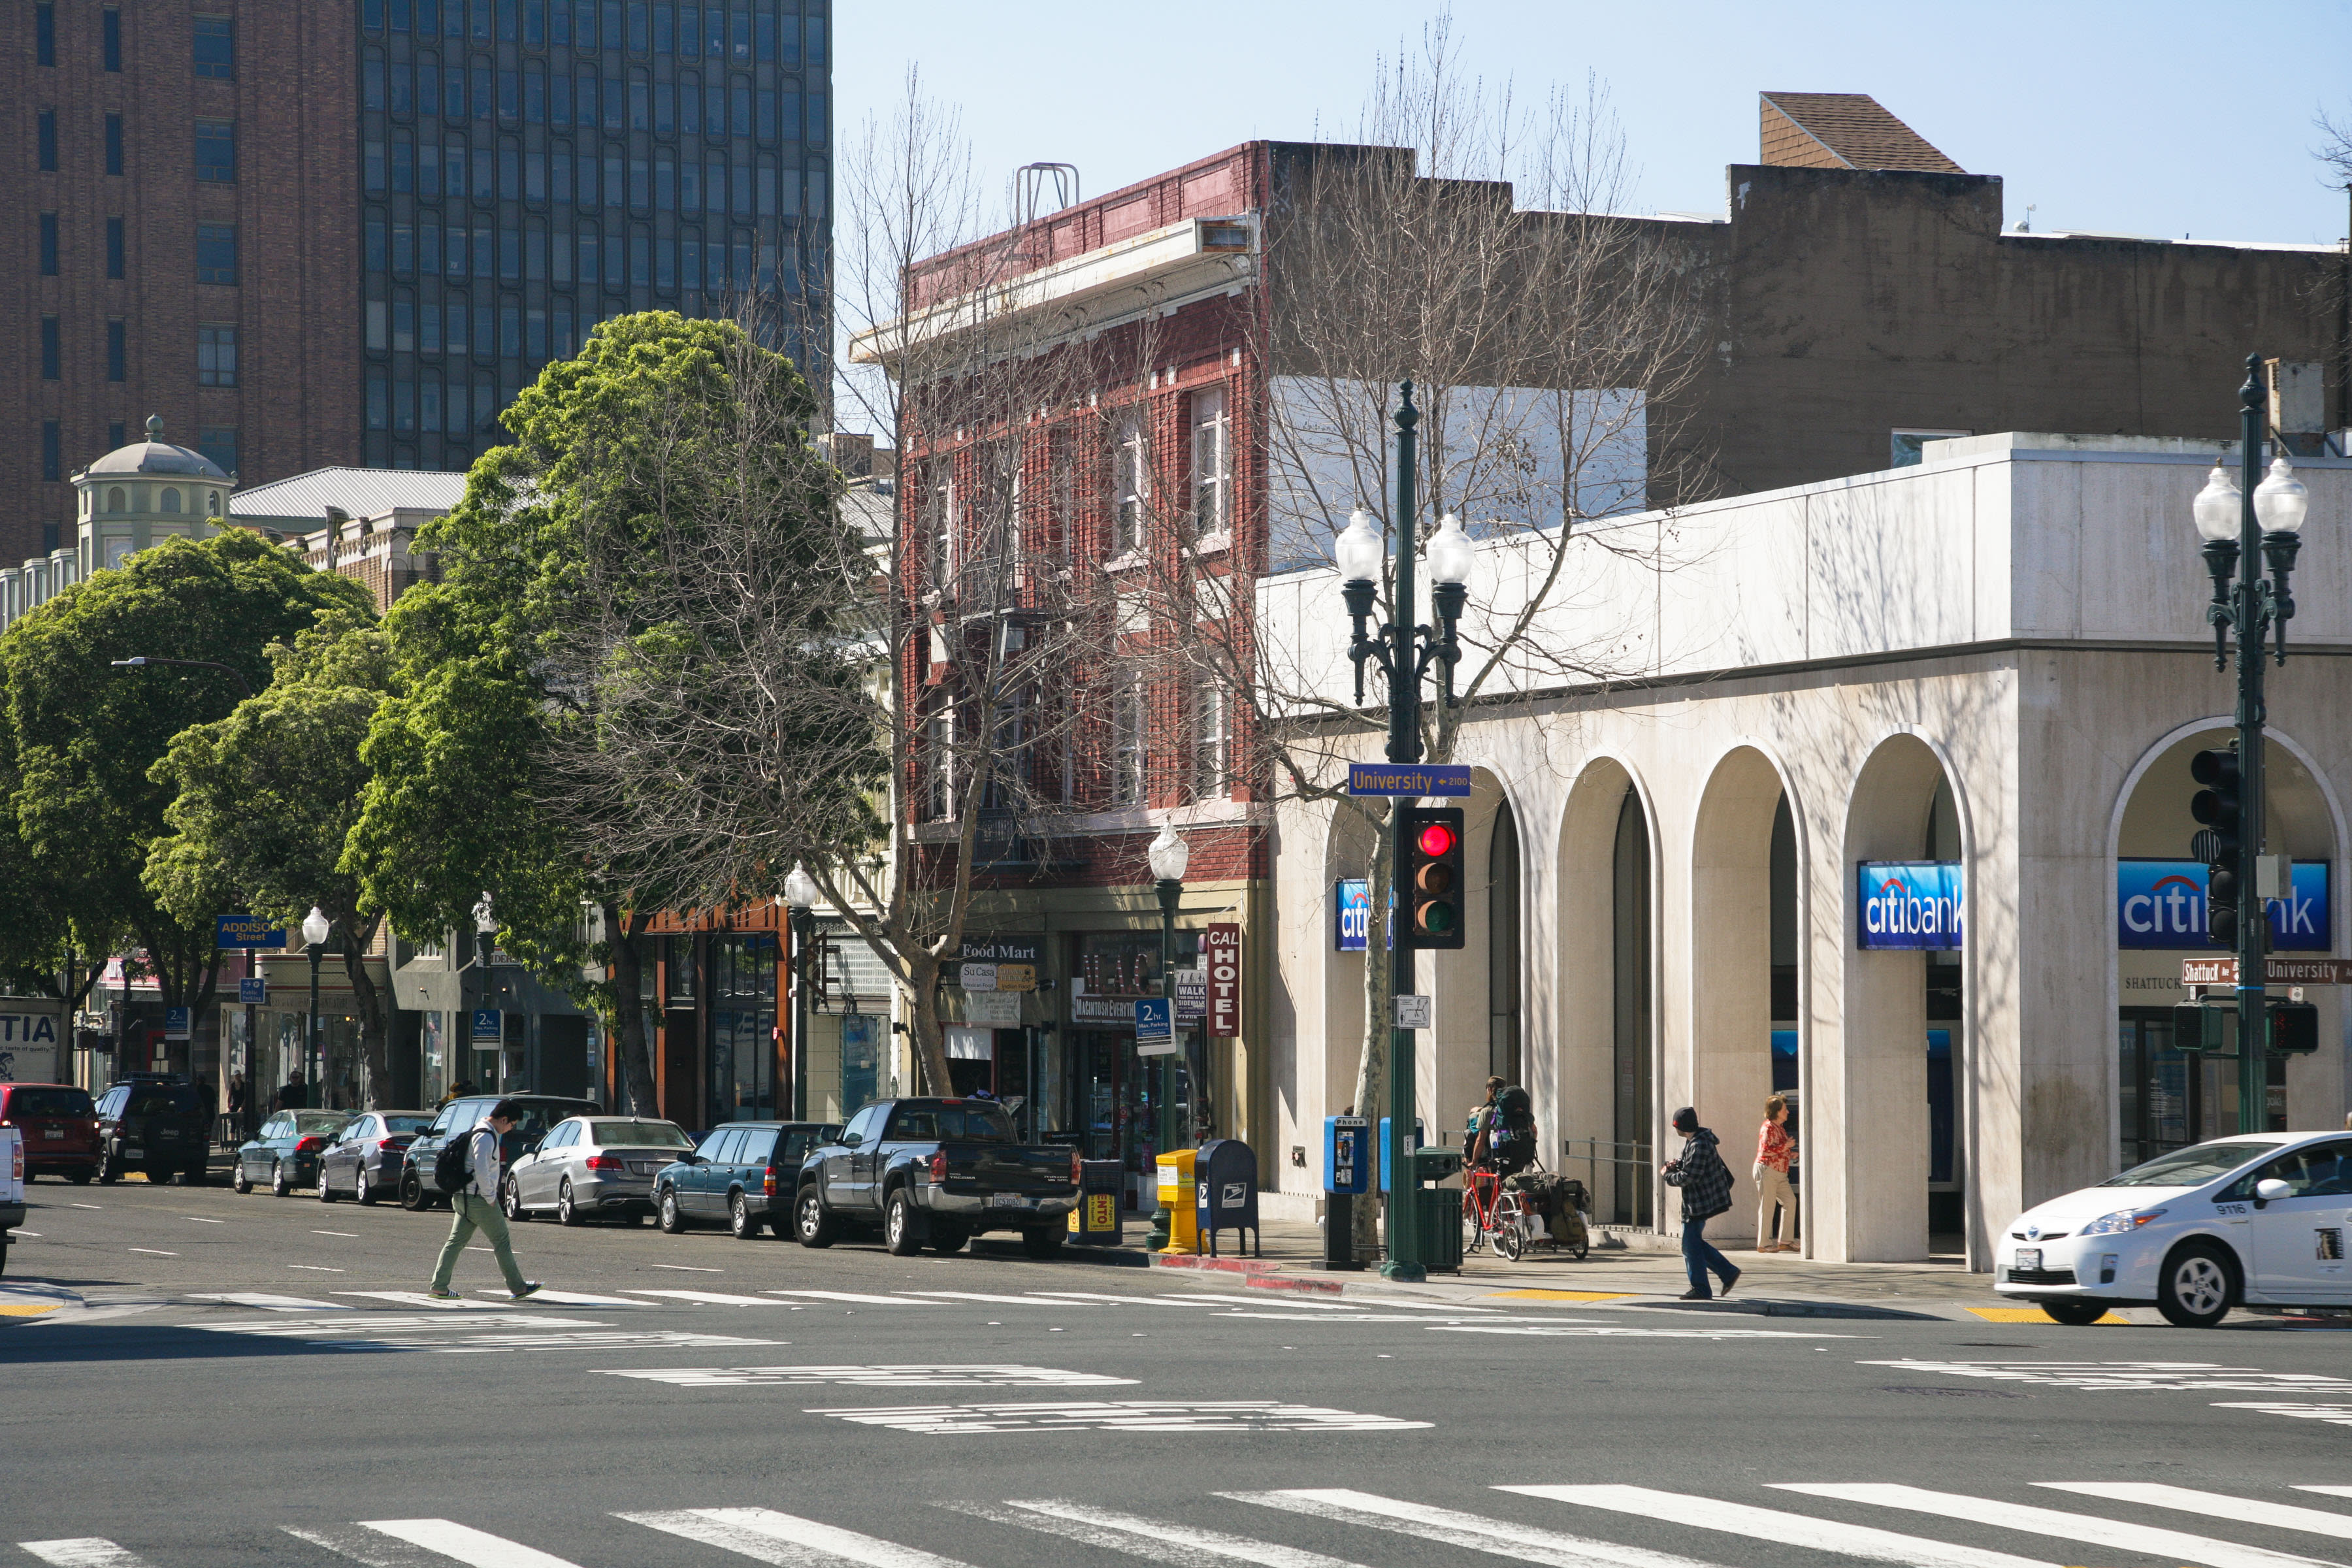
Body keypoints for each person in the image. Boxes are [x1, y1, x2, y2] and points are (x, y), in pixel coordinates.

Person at [428, 1099, 542, 1302]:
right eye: (512, 1124)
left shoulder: (477, 1129)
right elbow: (482, 1170)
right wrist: (491, 1198)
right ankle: (518, 1287)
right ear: (504, 1119)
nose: (510, 1129)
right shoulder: (487, 1137)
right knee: (502, 1241)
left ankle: (439, 1286)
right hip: (479, 1199)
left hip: (463, 1197)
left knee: (455, 1242)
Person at [1661, 1105, 1739, 1301]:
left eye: (1675, 1125)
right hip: (1697, 1202)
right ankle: (1728, 1273)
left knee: (1689, 1246)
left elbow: (1690, 1176)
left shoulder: (1699, 1145)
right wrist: (1677, 1164)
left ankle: (1702, 1289)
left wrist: (1668, 1175)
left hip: (1700, 1203)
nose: (1675, 1129)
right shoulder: (1695, 1141)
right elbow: (1690, 1166)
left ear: (1682, 1126)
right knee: (1693, 1245)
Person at [1754, 1094, 1798, 1253]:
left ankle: (1786, 1241)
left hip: (1779, 1173)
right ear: (1777, 1111)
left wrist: (1790, 1153)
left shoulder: (1779, 1128)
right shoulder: (1768, 1128)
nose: (1788, 1112)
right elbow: (1765, 1151)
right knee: (1768, 1206)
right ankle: (1764, 1243)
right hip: (1768, 1171)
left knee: (1790, 1201)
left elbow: (1777, 1149)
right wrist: (1786, 1147)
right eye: (1785, 1109)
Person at [1465, 1077, 1505, 1168]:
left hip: (1496, 1157)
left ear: (1490, 1089)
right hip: (1517, 1155)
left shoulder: (1487, 1111)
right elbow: (1534, 1130)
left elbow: (1481, 1139)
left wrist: (1474, 1161)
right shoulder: (1513, 1108)